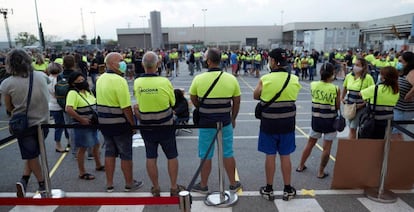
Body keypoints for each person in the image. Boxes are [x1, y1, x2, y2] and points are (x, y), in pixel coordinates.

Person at [189, 48, 242, 194]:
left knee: (206, 154)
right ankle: (232, 183)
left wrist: (202, 107)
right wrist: (233, 118)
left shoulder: (199, 79)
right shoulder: (231, 79)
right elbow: (236, 102)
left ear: (209, 61)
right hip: (225, 121)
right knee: (228, 152)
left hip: (206, 123)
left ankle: (204, 185)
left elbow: (193, 98)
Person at [133, 51, 185, 197]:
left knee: (151, 156)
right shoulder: (164, 82)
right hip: (165, 125)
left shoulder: (138, 82)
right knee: (172, 156)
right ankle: (174, 187)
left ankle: (155, 188)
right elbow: (173, 103)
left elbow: (138, 101)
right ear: (157, 65)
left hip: (147, 125)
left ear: (143, 65)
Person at [0, 49, 50, 197]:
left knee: (31, 155)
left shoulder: (7, 84)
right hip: (44, 122)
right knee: (33, 154)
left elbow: (9, 107)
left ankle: (42, 185)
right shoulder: (41, 76)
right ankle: (24, 180)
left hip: (24, 125)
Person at [253, 48, 301, 201]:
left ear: (273, 61)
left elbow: (256, 95)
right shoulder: (294, 79)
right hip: (287, 124)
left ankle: (269, 189)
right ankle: (287, 188)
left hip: (269, 124)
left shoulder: (265, 79)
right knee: (285, 156)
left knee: (270, 155)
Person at [96, 52, 143, 192]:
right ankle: (129, 183)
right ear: (111, 64)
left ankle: (109, 184)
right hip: (119, 123)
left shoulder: (100, 79)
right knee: (125, 154)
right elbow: (126, 107)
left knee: (109, 153)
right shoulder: (119, 80)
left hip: (104, 122)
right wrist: (132, 124)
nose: (123, 63)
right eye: (120, 61)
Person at [297, 63, 339, 179]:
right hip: (330, 120)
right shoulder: (335, 88)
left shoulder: (313, 85)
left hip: (316, 119)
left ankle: (301, 165)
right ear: (332, 74)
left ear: (320, 72)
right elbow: (337, 106)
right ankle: (320, 172)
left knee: (310, 143)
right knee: (327, 147)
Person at [65, 72, 104, 180]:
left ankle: (98, 164)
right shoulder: (73, 93)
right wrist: (81, 119)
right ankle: (82, 172)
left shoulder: (88, 91)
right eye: (78, 81)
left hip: (92, 123)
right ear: (73, 83)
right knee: (83, 148)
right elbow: (69, 109)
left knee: (96, 144)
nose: (82, 82)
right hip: (82, 124)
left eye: (83, 80)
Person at [360, 66, 399, 139]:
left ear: (383, 77)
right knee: (381, 142)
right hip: (388, 121)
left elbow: (361, 94)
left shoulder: (376, 88)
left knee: (369, 141)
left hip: (373, 121)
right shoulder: (396, 91)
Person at [341, 58, 375, 139]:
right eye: (354, 64)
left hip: (361, 107)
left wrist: (364, 103)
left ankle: (352, 146)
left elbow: (372, 91)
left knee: (353, 127)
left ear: (363, 67)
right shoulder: (349, 76)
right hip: (350, 106)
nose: (355, 67)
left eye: (357, 65)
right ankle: (354, 144)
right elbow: (345, 87)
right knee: (351, 127)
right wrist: (342, 98)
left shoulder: (368, 78)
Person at [391, 51, 414, 140]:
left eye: (401, 61)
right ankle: (400, 151)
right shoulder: (405, 72)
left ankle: (400, 152)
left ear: (408, 62)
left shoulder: (412, 73)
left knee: (395, 133)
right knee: (397, 132)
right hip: (399, 108)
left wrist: (408, 95)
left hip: (404, 109)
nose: (399, 63)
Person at [47, 62, 69, 152]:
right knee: (62, 125)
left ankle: (63, 142)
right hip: (59, 105)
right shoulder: (59, 80)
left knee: (60, 125)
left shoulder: (48, 79)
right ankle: (59, 144)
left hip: (52, 104)